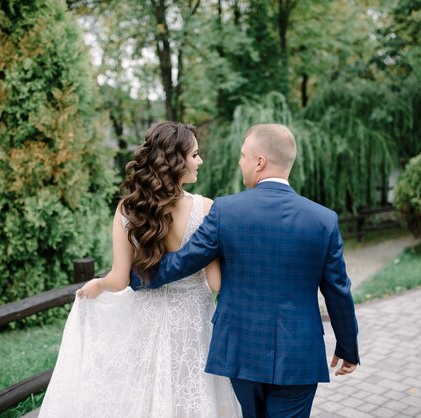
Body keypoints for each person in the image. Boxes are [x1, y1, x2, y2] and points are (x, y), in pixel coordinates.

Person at [129, 124, 359, 418]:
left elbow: (184, 261)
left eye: (243, 155)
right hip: (299, 354)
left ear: (259, 162)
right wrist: (347, 346)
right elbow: (338, 290)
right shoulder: (324, 220)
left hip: (242, 352)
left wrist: (136, 278)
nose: (240, 162)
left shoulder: (226, 211)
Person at [38, 121, 241, 417]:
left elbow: (119, 279)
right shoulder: (206, 209)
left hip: (146, 319)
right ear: (176, 159)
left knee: (145, 396)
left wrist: (99, 284)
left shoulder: (128, 209)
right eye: (195, 154)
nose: (200, 161)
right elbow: (216, 284)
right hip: (192, 324)